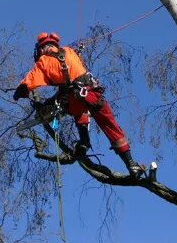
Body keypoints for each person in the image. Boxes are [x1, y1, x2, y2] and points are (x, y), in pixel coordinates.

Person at [13, 32, 145, 178]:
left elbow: (30, 80)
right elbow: (74, 70)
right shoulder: (69, 51)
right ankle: (131, 164)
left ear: (42, 49)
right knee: (110, 126)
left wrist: (20, 91)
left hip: (72, 100)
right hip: (92, 95)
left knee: (69, 106)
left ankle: (84, 140)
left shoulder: (43, 61)